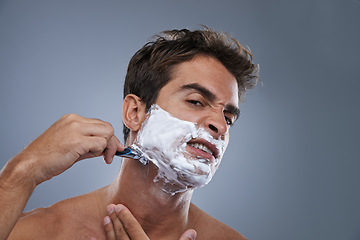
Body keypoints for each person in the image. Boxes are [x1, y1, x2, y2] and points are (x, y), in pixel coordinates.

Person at [0, 26, 259, 240]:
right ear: (135, 113)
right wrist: (22, 172)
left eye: (228, 117)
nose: (221, 126)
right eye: (196, 101)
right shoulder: (42, 232)